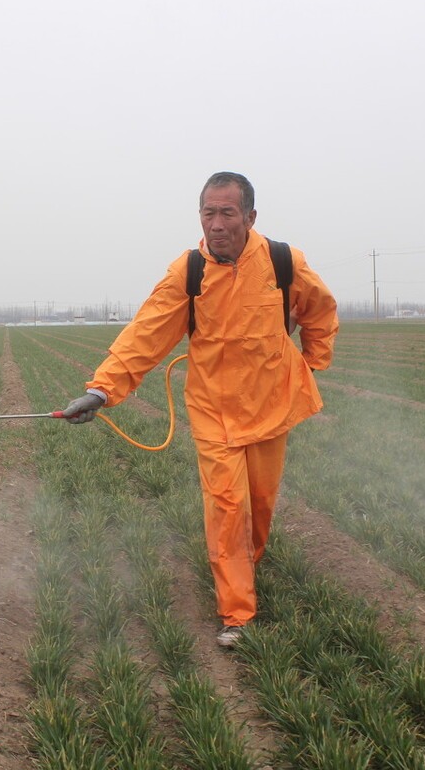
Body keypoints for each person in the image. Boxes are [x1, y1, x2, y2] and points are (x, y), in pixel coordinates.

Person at [63, 171, 339, 648]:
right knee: (228, 506)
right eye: (208, 212)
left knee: (260, 504)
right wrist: (102, 391)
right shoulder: (188, 272)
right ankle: (237, 614)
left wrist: (311, 364)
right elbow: (145, 335)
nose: (216, 223)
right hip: (214, 412)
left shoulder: (281, 261)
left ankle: (245, 567)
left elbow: (320, 309)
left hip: (272, 406)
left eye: (227, 212)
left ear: (250, 217)